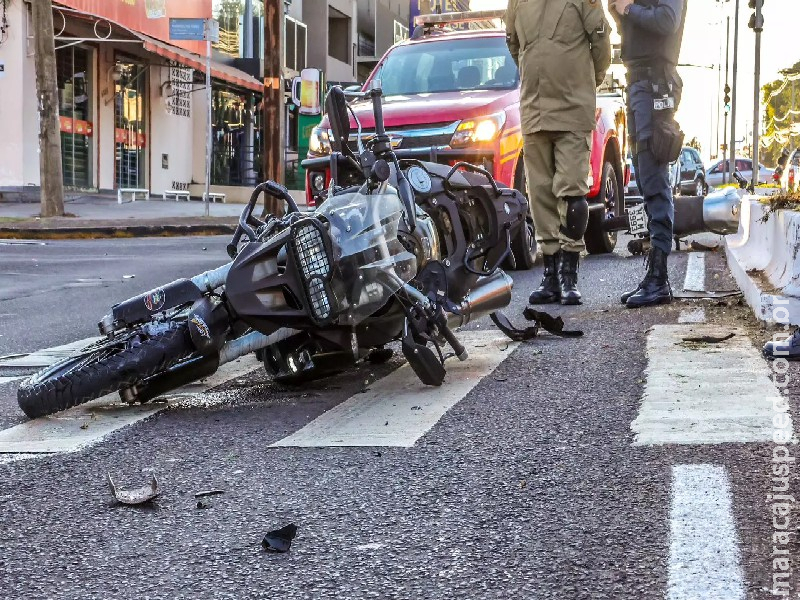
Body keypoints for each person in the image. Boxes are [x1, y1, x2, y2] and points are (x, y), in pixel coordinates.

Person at [505, 0, 611, 305]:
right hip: (534, 109)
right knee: (539, 194)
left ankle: (569, 273)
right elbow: (515, 45)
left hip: (573, 107)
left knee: (572, 189)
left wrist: (586, 82)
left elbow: (601, 45)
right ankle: (550, 273)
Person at [610, 0, 687, 308]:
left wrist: (629, 9)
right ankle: (655, 277)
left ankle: (659, 278)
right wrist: (617, 9)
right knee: (644, 177)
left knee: (654, 178)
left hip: (656, 83)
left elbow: (668, 20)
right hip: (637, 82)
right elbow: (625, 24)